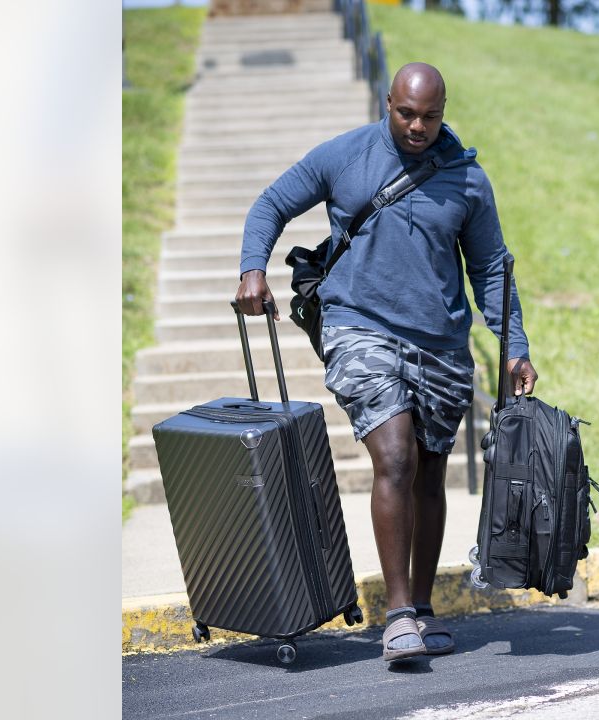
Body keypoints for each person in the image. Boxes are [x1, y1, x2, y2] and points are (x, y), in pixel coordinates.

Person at [235, 62, 538, 663]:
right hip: (359, 327)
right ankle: (397, 615)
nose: (418, 126)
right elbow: (271, 204)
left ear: (444, 111)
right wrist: (252, 267)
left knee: (429, 471)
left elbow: (490, 269)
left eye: (430, 116)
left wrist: (515, 346)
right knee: (395, 453)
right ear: (387, 102)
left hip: (442, 343)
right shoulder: (346, 156)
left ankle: (422, 609)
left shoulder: (467, 180)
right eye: (406, 114)